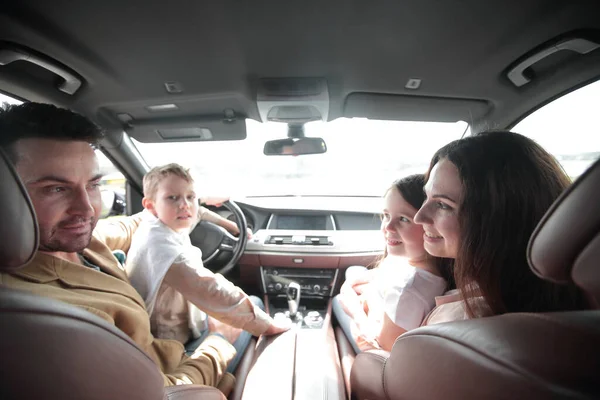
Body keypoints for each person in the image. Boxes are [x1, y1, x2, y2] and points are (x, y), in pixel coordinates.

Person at [0, 102, 240, 391]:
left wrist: (189, 202)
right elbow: (163, 393)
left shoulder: (79, 241)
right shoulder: (58, 316)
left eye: (92, 184)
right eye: (56, 189)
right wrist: (220, 343)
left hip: (172, 356)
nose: (87, 209)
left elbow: (135, 222)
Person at [125, 163, 290, 373]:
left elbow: (198, 213)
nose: (185, 205)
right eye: (172, 198)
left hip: (182, 325)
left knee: (249, 309)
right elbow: (212, 290)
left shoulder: (158, 222)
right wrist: (268, 326)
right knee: (256, 305)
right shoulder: (163, 249)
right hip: (172, 346)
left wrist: (233, 227)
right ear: (150, 205)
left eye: (190, 197)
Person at [414, 130, 586, 325]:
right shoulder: (548, 295)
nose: (419, 217)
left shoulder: (466, 318)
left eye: (443, 205)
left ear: (498, 218)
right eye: (426, 197)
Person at [333, 175, 453, 353]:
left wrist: (356, 311)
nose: (387, 227)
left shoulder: (408, 291)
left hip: (374, 345)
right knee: (353, 272)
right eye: (386, 215)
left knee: (337, 300)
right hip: (379, 309)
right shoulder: (410, 263)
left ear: (429, 225)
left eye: (404, 219)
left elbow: (383, 348)